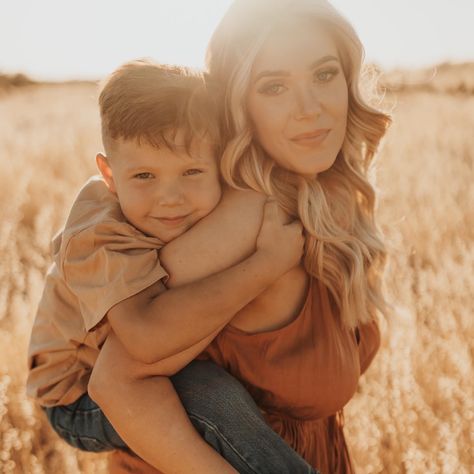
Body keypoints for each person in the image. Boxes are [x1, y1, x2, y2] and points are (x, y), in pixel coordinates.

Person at [91, 0, 392, 471]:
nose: (310, 109)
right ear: (238, 102)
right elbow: (115, 380)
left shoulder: (319, 197)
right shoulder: (253, 217)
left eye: (324, 74)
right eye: (274, 86)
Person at [26, 59, 307, 473]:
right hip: (77, 395)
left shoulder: (196, 200)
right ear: (109, 175)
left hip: (131, 363)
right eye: (143, 176)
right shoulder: (97, 234)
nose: (170, 197)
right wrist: (267, 265)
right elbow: (145, 337)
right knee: (208, 394)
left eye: (192, 170)